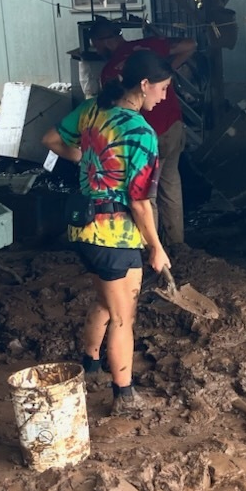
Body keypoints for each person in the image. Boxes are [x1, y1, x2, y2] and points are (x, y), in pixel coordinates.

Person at [42, 49, 173, 417]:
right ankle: (124, 395)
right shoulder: (141, 133)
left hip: (82, 228)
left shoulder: (92, 111)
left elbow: (51, 139)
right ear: (144, 86)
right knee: (123, 317)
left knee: (105, 300)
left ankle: (91, 364)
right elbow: (141, 204)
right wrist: (157, 247)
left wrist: (87, 159)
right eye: (162, 89)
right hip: (115, 235)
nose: (163, 97)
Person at [89, 18, 197, 246]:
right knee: (170, 182)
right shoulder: (150, 47)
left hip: (143, 135)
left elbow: (110, 110)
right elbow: (190, 44)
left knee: (147, 194)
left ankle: (153, 250)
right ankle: (177, 245)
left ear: (103, 41)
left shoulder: (111, 71)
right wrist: (167, 73)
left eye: (95, 45)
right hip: (173, 125)